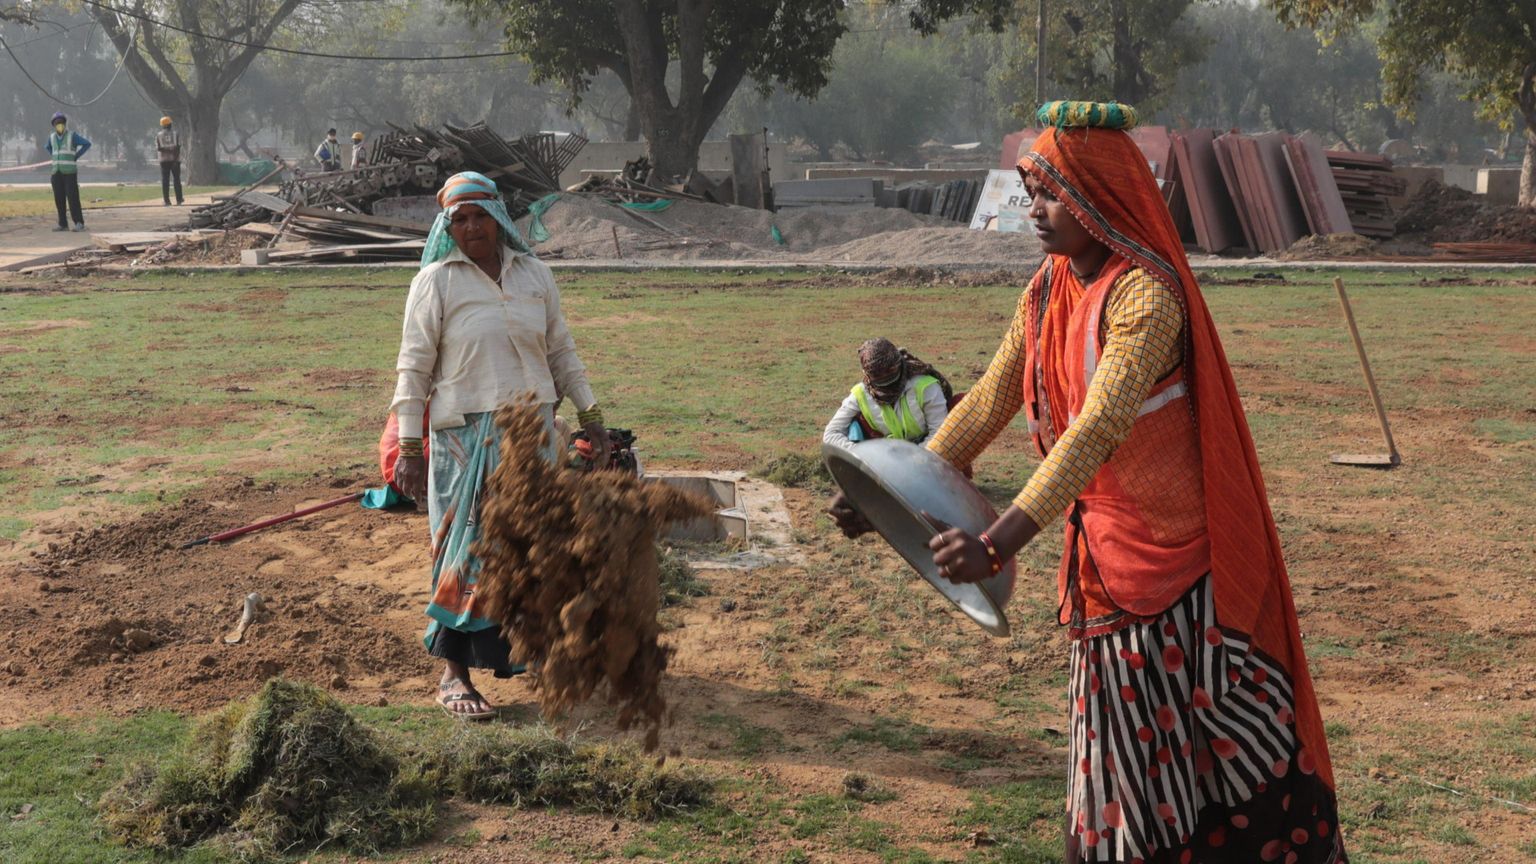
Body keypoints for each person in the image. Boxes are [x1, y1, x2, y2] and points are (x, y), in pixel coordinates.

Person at [829, 101, 1347, 864]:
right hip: (1107, 575)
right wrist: (891, 491)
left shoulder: (1146, 297)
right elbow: (991, 401)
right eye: (1029, 190)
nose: (1034, 210)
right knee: (1118, 774)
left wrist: (998, 541)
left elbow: (1095, 431)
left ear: (1100, 196)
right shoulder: (1045, 290)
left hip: (1186, 578)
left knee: (1239, 759)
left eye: (1051, 193)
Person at [390, 170, 611, 720]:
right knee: (464, 552)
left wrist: (592, 417)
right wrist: (411, 450)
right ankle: (453, 674)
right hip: (464, 438)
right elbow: (413, 368)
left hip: (532, 432)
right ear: (447, 227)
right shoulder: (436, 282)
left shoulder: (533, 274)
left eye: (480, 216)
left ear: (500, 218)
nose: (471, 228)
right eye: (458, 220)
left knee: (532, 549)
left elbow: (560, 349)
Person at [822, 337, 950, 450]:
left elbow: (940, 435)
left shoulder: (925, 386)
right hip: (883, 460)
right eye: (878, 375)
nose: (885, 379)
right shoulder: (860, 394)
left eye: (889, 372)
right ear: (867, 375)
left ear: (899, 364)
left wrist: (913, 459)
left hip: (928, 456)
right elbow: (831, 434)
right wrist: (861, 455)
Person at [44, 112, 90, 232]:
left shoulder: (72, 136)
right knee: (59, 199)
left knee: (73, 198)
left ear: (65, 123)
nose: (59, 125)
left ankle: (79, 223)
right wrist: (55, 157)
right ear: (53, 125)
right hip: (56, 172)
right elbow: (48, 147)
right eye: (56, 123)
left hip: (69, 172)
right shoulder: (52, 137)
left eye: (61, 122)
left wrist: (76, 155)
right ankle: (63, 224)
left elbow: (86, 144)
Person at [155, 116, 184, 206]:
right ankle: (179, 199)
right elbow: (178, 147)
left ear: (162, 125)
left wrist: (166, 150)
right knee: (176, 180)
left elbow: (159, 148)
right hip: (175, 160)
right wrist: (175, 159)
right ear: (170, 124)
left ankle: (166, 200)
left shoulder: (158, 135)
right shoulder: (176, 134)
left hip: (164, 161)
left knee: (165, 180)